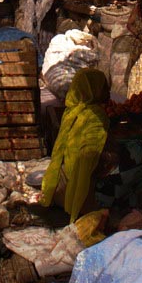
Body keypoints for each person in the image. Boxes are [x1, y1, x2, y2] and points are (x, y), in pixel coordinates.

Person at [41, 68, 110, 222]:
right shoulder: (95, 115)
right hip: (78, 194)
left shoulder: (71, 111)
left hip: (58, 188)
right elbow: (89, 157)